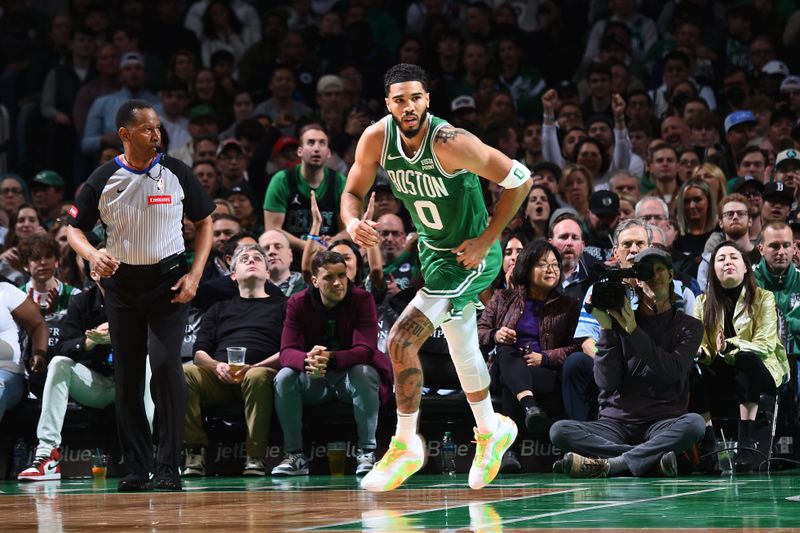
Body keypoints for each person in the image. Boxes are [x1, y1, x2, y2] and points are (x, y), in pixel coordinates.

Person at [341, 64, 531, 492]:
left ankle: (405, 442)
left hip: (471, 256)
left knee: (400, 340)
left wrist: (486, 239)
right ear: (388, 104)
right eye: (399, 100)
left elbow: (519, 179)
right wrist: (352, 224)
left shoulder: (451, 142)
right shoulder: (376, 138)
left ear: (428, 100)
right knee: (463, 343)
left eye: (416, 98)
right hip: (433, 253)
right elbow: (352, 192)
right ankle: (491, 428)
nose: (409, 107)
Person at [66, 99, 215, 492]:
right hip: (121, 289)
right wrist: (93, 254)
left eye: (158, 128)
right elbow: (73, 231)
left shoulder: (177, 171)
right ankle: (136, 466)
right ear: (125, 135)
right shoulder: (103, 178)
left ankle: (169, 466)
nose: (157, 135)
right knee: (128, 375)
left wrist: (195, 275)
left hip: (168, 285)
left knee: (167, 369)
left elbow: (204, 223)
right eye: (148, 129)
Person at [550, 248, 706, 478]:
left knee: (694, 424)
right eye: (646, 272)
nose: (654, 276)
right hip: (615, 425)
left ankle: (612, 463)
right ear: (637, 282)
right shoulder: (617, 321)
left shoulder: (689, 327)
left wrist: (633, 331)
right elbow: (606, 381)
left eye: (659, 269)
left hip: (663, 422)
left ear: (671, 275)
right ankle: (648, 461)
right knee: (559, 431)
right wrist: (607, 329)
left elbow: (671, 371)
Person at [17, 268, 154, 481]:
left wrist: (122, 337)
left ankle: (150, 453)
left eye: (115, 263)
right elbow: (63, 347)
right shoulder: (82, 302)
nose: (110, 268)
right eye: (103, 264)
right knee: (59, 363)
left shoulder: (140, 300)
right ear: (94, 273)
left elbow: (157, 344)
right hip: (96, 384)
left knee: (148, 361)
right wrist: (89, 342)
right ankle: (47, 456)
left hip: (132, 383)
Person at [271, 251, 392, 477]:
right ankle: (294, 456)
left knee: (364, 372)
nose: (338, 283)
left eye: (342, 276)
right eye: (329, 277)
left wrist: (331, 358)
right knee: (283, 377)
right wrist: (308, 360)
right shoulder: (297, 303)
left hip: (350, 380)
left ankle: (367, 452)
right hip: (315, 379)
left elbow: (366, 351)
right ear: (314, 281)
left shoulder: (362, 299)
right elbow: (287, 352)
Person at [182, 244, 284, 477]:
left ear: (268, 274)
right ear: (233, 274)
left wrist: (256, 367)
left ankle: (255, 457)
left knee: (256, 377)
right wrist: (216, 366)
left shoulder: (283, 305)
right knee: (183, 373)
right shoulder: (218, 309)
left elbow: (289, 350)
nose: (251, 261)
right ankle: (194, 452)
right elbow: (199, 353)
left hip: (262, 374)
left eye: (258, 258)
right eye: (244, 258)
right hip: (220, 376)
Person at [692, 241, 790, 473]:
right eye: (721, 259)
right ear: (713, 270)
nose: (727, 262)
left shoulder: (764, 298)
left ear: (746, 267)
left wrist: (729, 345)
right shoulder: (702, 303)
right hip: (721, 369)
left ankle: (746, 444)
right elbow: (704, 349)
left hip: (760, 369)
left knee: (746, 360)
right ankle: (709, 446)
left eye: (733, 258)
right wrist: (698, 352)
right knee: (690, 373)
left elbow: (764, 344)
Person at [477, 241, 581, 460]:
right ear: (527, 268)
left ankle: (508, 451)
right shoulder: (503, 298)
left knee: (510, 381)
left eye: (554, 265)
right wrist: (496, 334)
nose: (551, 269)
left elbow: (577, 346)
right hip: (501, 366)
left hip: (542, 372)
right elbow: (478, 332)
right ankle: (531, 406)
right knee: (506, 351)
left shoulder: (568, 306)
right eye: (543, 264)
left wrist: (544, 357)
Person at [263, 123, 349, 255]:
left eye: (322, 143)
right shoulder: (282, 180)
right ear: (299, 151)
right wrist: (307, 246)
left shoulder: (340, 182)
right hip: (290, 259)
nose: (316, 148)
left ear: (329, 152)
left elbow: (349, 229)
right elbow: (272, 229)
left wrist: (332, 241)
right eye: (311, 143)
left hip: (329, 257)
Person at [18, 234, 81, 315]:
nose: (43, 262)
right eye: (36, 258)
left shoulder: (74, 295)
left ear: (56, 262)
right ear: (25, 265)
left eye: (48, 256)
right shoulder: (17, 297)